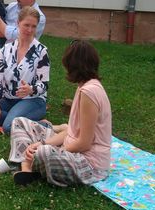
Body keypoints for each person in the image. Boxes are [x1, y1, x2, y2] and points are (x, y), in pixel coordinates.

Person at [9, 40, 112, 187]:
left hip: (89, 164)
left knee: (44, 152)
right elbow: (72, 132)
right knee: (19, 121)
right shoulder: (84, 87)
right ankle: (28, 165)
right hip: (72, 146)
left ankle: (28, 163)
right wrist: (41, 143)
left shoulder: (90, 92)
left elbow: (84, 143)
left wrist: (55, 149)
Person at [0, 6, 49, 135]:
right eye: (26, 25)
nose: (30, 30)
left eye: (34, 26)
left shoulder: (41, 51)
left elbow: (44, 85)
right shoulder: (6, 49)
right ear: (18, 23)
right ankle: (18, 117)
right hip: (9, 99)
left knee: (8, 127)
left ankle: (43, 125)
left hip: (32, 100)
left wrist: (31, 89)